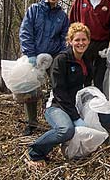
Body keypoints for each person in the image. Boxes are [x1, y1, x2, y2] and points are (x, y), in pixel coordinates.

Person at [26, 23, 92, 168]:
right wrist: (75, 117)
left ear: (88, 41)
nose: (80, 43)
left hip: (75, 104)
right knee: (66, 130)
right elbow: (59, 91)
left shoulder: (87, 60)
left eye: (83, 40)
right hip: (57, 105)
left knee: (105, 118)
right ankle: (35, 153)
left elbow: (87, 86)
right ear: (70, 41)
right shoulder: (61, 60)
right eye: (77, 40)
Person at [19, 0, 69, 136]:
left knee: (58, 86)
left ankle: (57, 119)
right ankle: (31, 122)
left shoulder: (62, 15)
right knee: (31, 88)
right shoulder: (34, 10)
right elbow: (26, 32)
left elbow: (64, 37)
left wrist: (61, 55)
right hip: (34, 55)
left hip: (53, 57)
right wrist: (30, 54)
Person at [69, 0, 110, 93]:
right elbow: (71, 24)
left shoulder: (109, 5)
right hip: (83, 45)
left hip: (102, 47)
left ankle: (98, 108)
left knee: (99, 79)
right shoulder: (80, 1)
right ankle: (80, 106)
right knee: (83, 77)